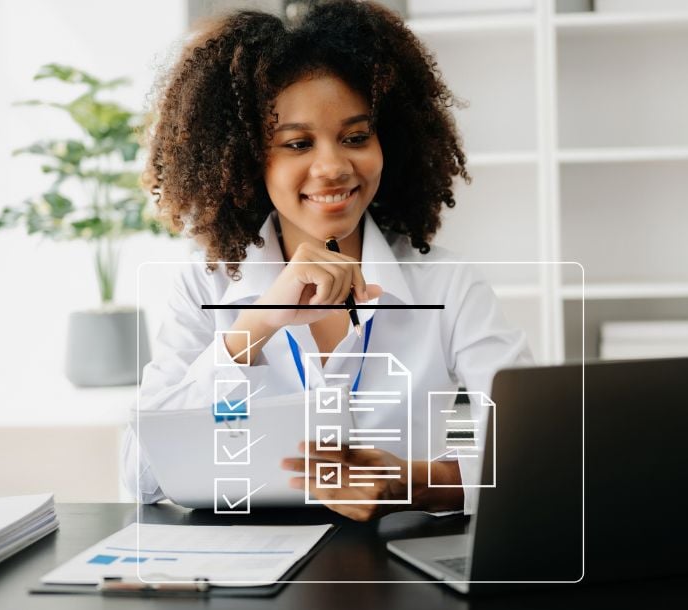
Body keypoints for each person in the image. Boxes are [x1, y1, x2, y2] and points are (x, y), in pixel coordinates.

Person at [122, 0, 531, 521]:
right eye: (297, 143)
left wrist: (414, 481)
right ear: (249, 159)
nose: (333, 166)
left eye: (355, 137)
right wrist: (256, 326)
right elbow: (141, 476)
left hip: (402, 574)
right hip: (250, 580)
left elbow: (537, 450)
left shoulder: (445, 285)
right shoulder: (205, 289)